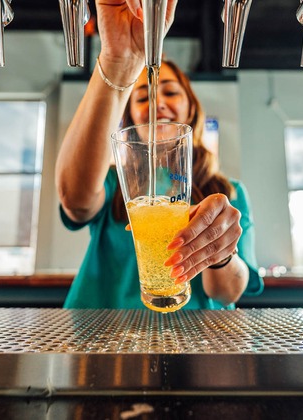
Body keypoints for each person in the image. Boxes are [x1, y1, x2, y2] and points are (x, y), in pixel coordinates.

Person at [55, 0, 263, 309]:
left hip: (195, 341)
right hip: (105, 333)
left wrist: (222, 254)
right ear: (130, 119)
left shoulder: (228, 191)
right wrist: (118, 60)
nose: (158, 103)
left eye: (170, 92)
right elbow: (75, 199)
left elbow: (227, 293)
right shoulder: (113, 182)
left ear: (191, 108)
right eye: (143, 97)